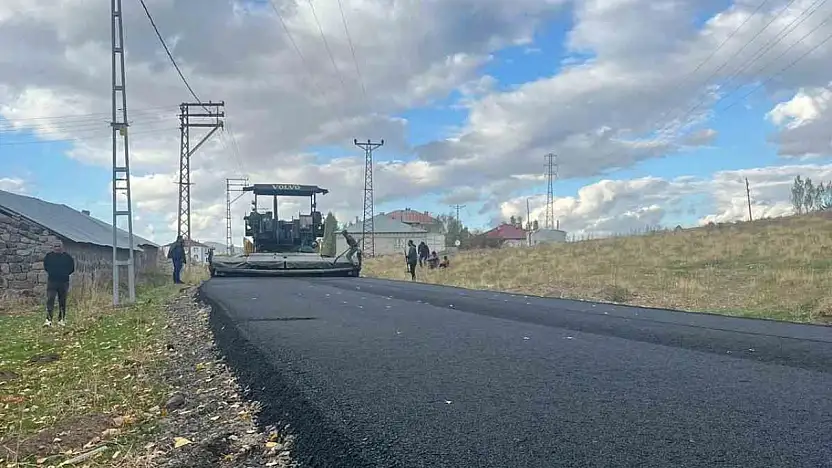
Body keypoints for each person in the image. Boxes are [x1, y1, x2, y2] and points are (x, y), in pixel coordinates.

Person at [43, 242, 75, 327]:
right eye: (55, 246)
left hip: (64, 282)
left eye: (59, 246)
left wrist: (64, 274)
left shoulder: (67, 257)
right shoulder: (49, 256)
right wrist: (52, 273)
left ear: (62, 247)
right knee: (50, 300)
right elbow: (45, 266)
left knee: (62, 301)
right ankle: (48, 320)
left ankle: (61, 320)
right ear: (53, 247)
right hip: (52, 281)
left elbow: (72, 268)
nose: (57, 248)